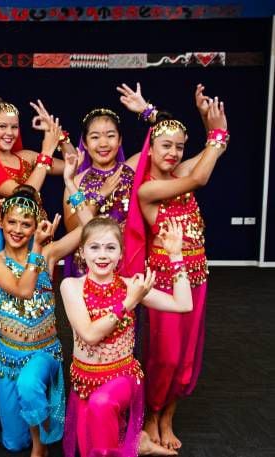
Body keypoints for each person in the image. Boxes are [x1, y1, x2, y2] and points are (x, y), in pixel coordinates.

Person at [122, 91, 228, 451]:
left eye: (180, 147)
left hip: (195, 277)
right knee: (163, 355)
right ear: (149, 148)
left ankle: (167, 416)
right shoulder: (149, 190)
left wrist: (209, 126)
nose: (173, 153)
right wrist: (215, 135)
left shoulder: (181, 169)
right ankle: (151, 413)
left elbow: (206, 162)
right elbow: (199, 178)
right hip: (165, 282)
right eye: (165, 146)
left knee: (187, 355)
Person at [0, 179, 88, 455]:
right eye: (12, 222)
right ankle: (33, 430)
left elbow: (89, 228)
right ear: (1, 222)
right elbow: (23, 289)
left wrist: (72, 186)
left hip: (43, 353)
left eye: (26, 224)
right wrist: (37, 247)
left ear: (36, 227)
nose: (18, 230)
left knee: (29, 384)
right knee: (13, 443)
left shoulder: (46, 253)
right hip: (7, 358)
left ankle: (40, 448)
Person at [61, 217, 194, 457]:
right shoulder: (71, 286)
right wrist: (128, 302)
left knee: (101, 406)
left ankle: (134, 443)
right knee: (89, 445)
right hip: (84, 382)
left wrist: (175, 256)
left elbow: (183, 304)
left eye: (110, 247)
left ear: (121, 253)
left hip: (122, 377)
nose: (102, 255)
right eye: (95, 247)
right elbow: (89, 334)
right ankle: (138, 443)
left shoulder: (131, 286)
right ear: (81, 251)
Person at [0, 96, 66, 246]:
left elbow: (72, 165)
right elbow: (26, 194)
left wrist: (58, 134)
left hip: (39, 237)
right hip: (11, 243)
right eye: (2, 126)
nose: (9, 132)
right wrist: (46, 152)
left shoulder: (26, 157)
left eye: (14, 127)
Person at [61, 107, 134, 278]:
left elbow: (162, 138)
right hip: (87, 267)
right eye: (95, 137)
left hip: (125, 261)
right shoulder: (76, 181)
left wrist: (147, 111)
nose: (103, 143)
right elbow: (72, 227)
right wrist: (99, 195)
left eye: (110, 136)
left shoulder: (132, 170)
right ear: (85, 143)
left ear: (120, 139)